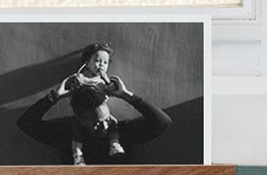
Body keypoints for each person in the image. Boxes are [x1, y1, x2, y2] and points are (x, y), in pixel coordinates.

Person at [16, 70, 171, 166]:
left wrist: (126, 95)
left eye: (106, 119)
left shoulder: (120, 132)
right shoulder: (66, 135)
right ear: (80, 119)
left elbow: (162, 122)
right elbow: (25, 123)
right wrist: (55, 96)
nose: (104, 126)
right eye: (97, 123)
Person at [57, 42, 125, 163]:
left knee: (113, 123)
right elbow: (72, 88)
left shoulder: (103, 80)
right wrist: (75, 82)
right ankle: (78, 155)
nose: (101, 65)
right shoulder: (81, 78)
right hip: (85, 115)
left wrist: (108, 81)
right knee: (77, 132)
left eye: (105, 62)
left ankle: (114, 143)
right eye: (98, 61)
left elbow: (111, 89)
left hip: (101, 114)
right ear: (87, 63)